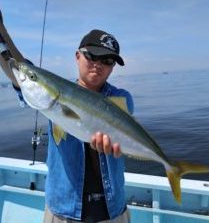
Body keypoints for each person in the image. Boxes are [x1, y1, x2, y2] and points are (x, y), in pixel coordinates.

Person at [0, 11, 133, 223]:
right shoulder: (57, 92)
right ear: (77, 55)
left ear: (112, 67)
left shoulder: (120, 98)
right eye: (92, 56)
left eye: (107, 60)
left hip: (113, 210)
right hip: (63, 210)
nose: (98, 64)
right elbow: (22, 71)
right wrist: (2, 32)